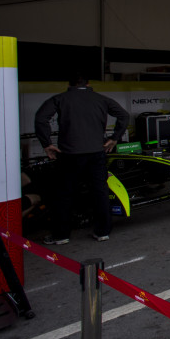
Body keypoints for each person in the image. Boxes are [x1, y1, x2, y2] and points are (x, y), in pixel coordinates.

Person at [34, 73, 129, 244]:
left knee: (64, 194)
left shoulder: (60, 99)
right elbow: (124, 115)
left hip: (69, 154)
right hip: (96, 152)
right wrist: (115, 138)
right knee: (100, 191)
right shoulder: (101, 99)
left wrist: (46, 143)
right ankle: (102, 232)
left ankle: (61, 235)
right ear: (89, 84)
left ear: (69, 84)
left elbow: (41, 118)